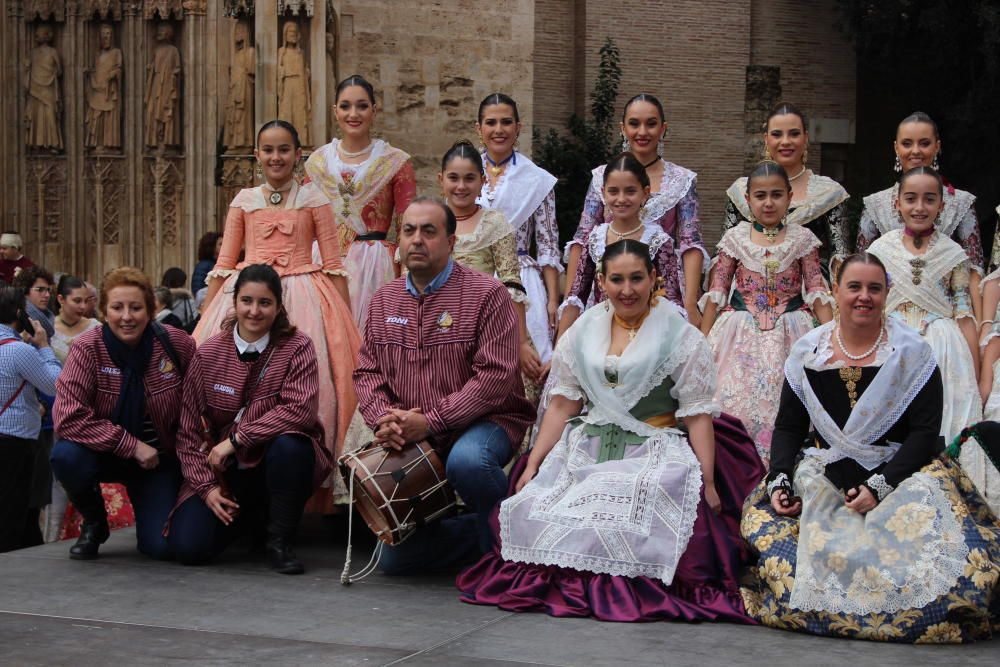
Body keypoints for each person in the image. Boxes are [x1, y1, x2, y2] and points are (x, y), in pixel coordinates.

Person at [458, 240, 765, 621]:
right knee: (538, 503)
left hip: (655, 443)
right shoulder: (584, 329)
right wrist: (534, 461)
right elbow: (563, 403)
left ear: (654, 278)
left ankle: (622, 583)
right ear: (601, 281)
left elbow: (697, 414)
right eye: (616, 279)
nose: (627, 289)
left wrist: (709, 481)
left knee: (645, 501)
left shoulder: (679, 335)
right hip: (588, 443)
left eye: (637, 278)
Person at [740, 253, 1000, 643]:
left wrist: (882, 486)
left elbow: (925, 433)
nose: (864, 297)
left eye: (874, 288)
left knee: (945, 559)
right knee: (788, 552)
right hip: (825, 471)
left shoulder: (913, 353)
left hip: (900, 471)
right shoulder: (809, 353)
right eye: (854, 287)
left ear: (887, 294)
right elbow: (789, 427)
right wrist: (780, 478)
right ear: (835, 291)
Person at [353, 197, 535, 574]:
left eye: (429, 231)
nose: (417, 240)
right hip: (414, 432)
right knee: (394, 561)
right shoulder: (383, 300)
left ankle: (508, 555)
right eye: (409, 231)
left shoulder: (487, 294)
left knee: (467, 463)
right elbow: (367, 373)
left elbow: (496, 379)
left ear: (451, 243)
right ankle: (496, 530)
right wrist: (384, 420)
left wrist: (433, 421)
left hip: (486, 423)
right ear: (399, 243)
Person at [198, 120, 360, 502]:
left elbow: (334, 264)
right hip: (249, 296)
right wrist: (203, 321)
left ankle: (299, 486)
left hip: (306, 297)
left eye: (284, 149)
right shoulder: (243, 201)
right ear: (258, 156)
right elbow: (223, 265)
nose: (276, 157)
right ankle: (236, 479)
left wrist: (347, 326)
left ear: (297, 155)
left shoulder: (316, 200)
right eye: (268, 150)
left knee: (315, 388)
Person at [170, 264, 327, 574]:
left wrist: (237, 440)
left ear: (279, 307)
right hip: (226, 475)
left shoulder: (298, 347)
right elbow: (186, 431)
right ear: (235, 302)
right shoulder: (209, 353)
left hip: (274, 462)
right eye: (247, 301)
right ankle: (248, 518)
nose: (254, 311)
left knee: (291, 446)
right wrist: (207, 489)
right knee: (189, 547)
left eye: (264, 302)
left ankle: (279, 539)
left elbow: (299, 410)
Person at [51, 267, 195, 560]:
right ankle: (94, 521)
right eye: (117, 307)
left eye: (136, 307)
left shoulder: (176, 344)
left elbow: (198, 404)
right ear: (104, 310)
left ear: (151, 310)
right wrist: (129, 445)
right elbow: (68, 416)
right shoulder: (86, 349)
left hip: (158, 460)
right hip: (102, 454)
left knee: (159, 547)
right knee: (65, 456)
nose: (126, 317)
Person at [701, 161, 833, 462]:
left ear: (789, 197)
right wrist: (701, 338)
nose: (769, 202)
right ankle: (740, 468)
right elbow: (717, 291)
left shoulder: (802, 239)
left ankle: (783, 468)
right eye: (760, 195)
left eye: (776, 195)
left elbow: (816, 289)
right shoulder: (735, 238)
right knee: (731, 400)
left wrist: (833, 337)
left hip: (792, 331)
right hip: (739, 333)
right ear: (748, 200)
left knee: (789, 403)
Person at [566, 94, 706, 323]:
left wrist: (690, 303)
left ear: (663, 128)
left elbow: (690, 243)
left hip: (664, 292)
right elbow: (582, 240)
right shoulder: (602, 176)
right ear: (623, 128)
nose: (642, 132)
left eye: (651, 124)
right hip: (608, 292)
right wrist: (569, 300)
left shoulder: (682, 180)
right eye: (634, 123)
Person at [867, 167, 981, 445]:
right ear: (897, 203)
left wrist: (975, 375)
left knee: (944, 423)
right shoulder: (880, 250)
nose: (920, 207)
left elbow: (963, 309)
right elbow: (869, 307)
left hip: (943, 349)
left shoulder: (953, 253)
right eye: (911, 199)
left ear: (941, 205)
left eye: (929, 199)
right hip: (891, 343)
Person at [305, 75, 417, 333]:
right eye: (345, 106)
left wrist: (407, 281)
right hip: (324, 262)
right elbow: (306, 223)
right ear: (335, 111)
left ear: (374, 110)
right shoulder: (317, 163)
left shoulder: (396, 162)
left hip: (375, 265)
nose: (353, 114)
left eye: (362, 106)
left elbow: (407, 228)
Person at [856, 111, 984, 320]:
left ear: (937, 146)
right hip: (885, 317)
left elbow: (974, 270)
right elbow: (862, 266)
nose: (915, 151)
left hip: (946, 318)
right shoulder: (875, 204)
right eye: (907, 144)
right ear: (896, 148)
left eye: (924, 143)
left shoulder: (961, 203)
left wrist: (979, 325)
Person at [440, 140, 541, 402]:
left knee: (518, 382)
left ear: (482, 181)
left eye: (469, 178)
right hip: (435, 320)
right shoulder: (431, 221)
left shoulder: (494, 222)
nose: (461, 186)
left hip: (487, 322)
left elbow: (511, 283)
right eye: (453, 178)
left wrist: (519, 343)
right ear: (441, 180)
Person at [475, 93, 562, 365]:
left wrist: (551, 301)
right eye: (491, 122)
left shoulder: (537, 178)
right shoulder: (463, 170)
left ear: (518, 128)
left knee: (529, 361)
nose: (498, 130)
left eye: (506, 122)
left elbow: (548, 243)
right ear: (479, 128)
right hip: (473, 271)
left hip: (522, 276)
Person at [557, 152, 682, 342]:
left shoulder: (659, 242)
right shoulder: (595, 240)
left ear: (645, 193)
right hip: (599, 334)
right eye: (613, 191)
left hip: (646, 334)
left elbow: (671, 299)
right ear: (603, 192)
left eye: (630, 191)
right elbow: (576, 297)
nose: (621, 199)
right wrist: (559, 349)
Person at [723, 103, 850, 280]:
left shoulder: (829, 193)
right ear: (766, 139)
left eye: (794, 134)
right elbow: (725, 252)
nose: (786, 141)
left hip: (813, 290)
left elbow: (841, 256)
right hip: (747, 292)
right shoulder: (741, 191)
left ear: (806, 137)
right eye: (777, 134)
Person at [47, 275, 108, 542]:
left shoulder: (95, 327)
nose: (83, 306)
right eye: (76, 300)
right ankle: (55, 532)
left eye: (87, 300)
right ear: (60, 300)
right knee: (56, 476)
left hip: (92, 408)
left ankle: (92, 523)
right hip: (54, 406)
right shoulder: (46, 329)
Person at [0, 287, 60, 552]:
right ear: (18, 314)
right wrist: (45, 347)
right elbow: (55, 384)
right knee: (14, 505)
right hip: (15, 438)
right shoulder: (18, 351)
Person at [14, 265, 55, 338]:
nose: (47, 295)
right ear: (24, 290)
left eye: (48, 290)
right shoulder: (15, 319)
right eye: (40, 289)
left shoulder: (50, 319)